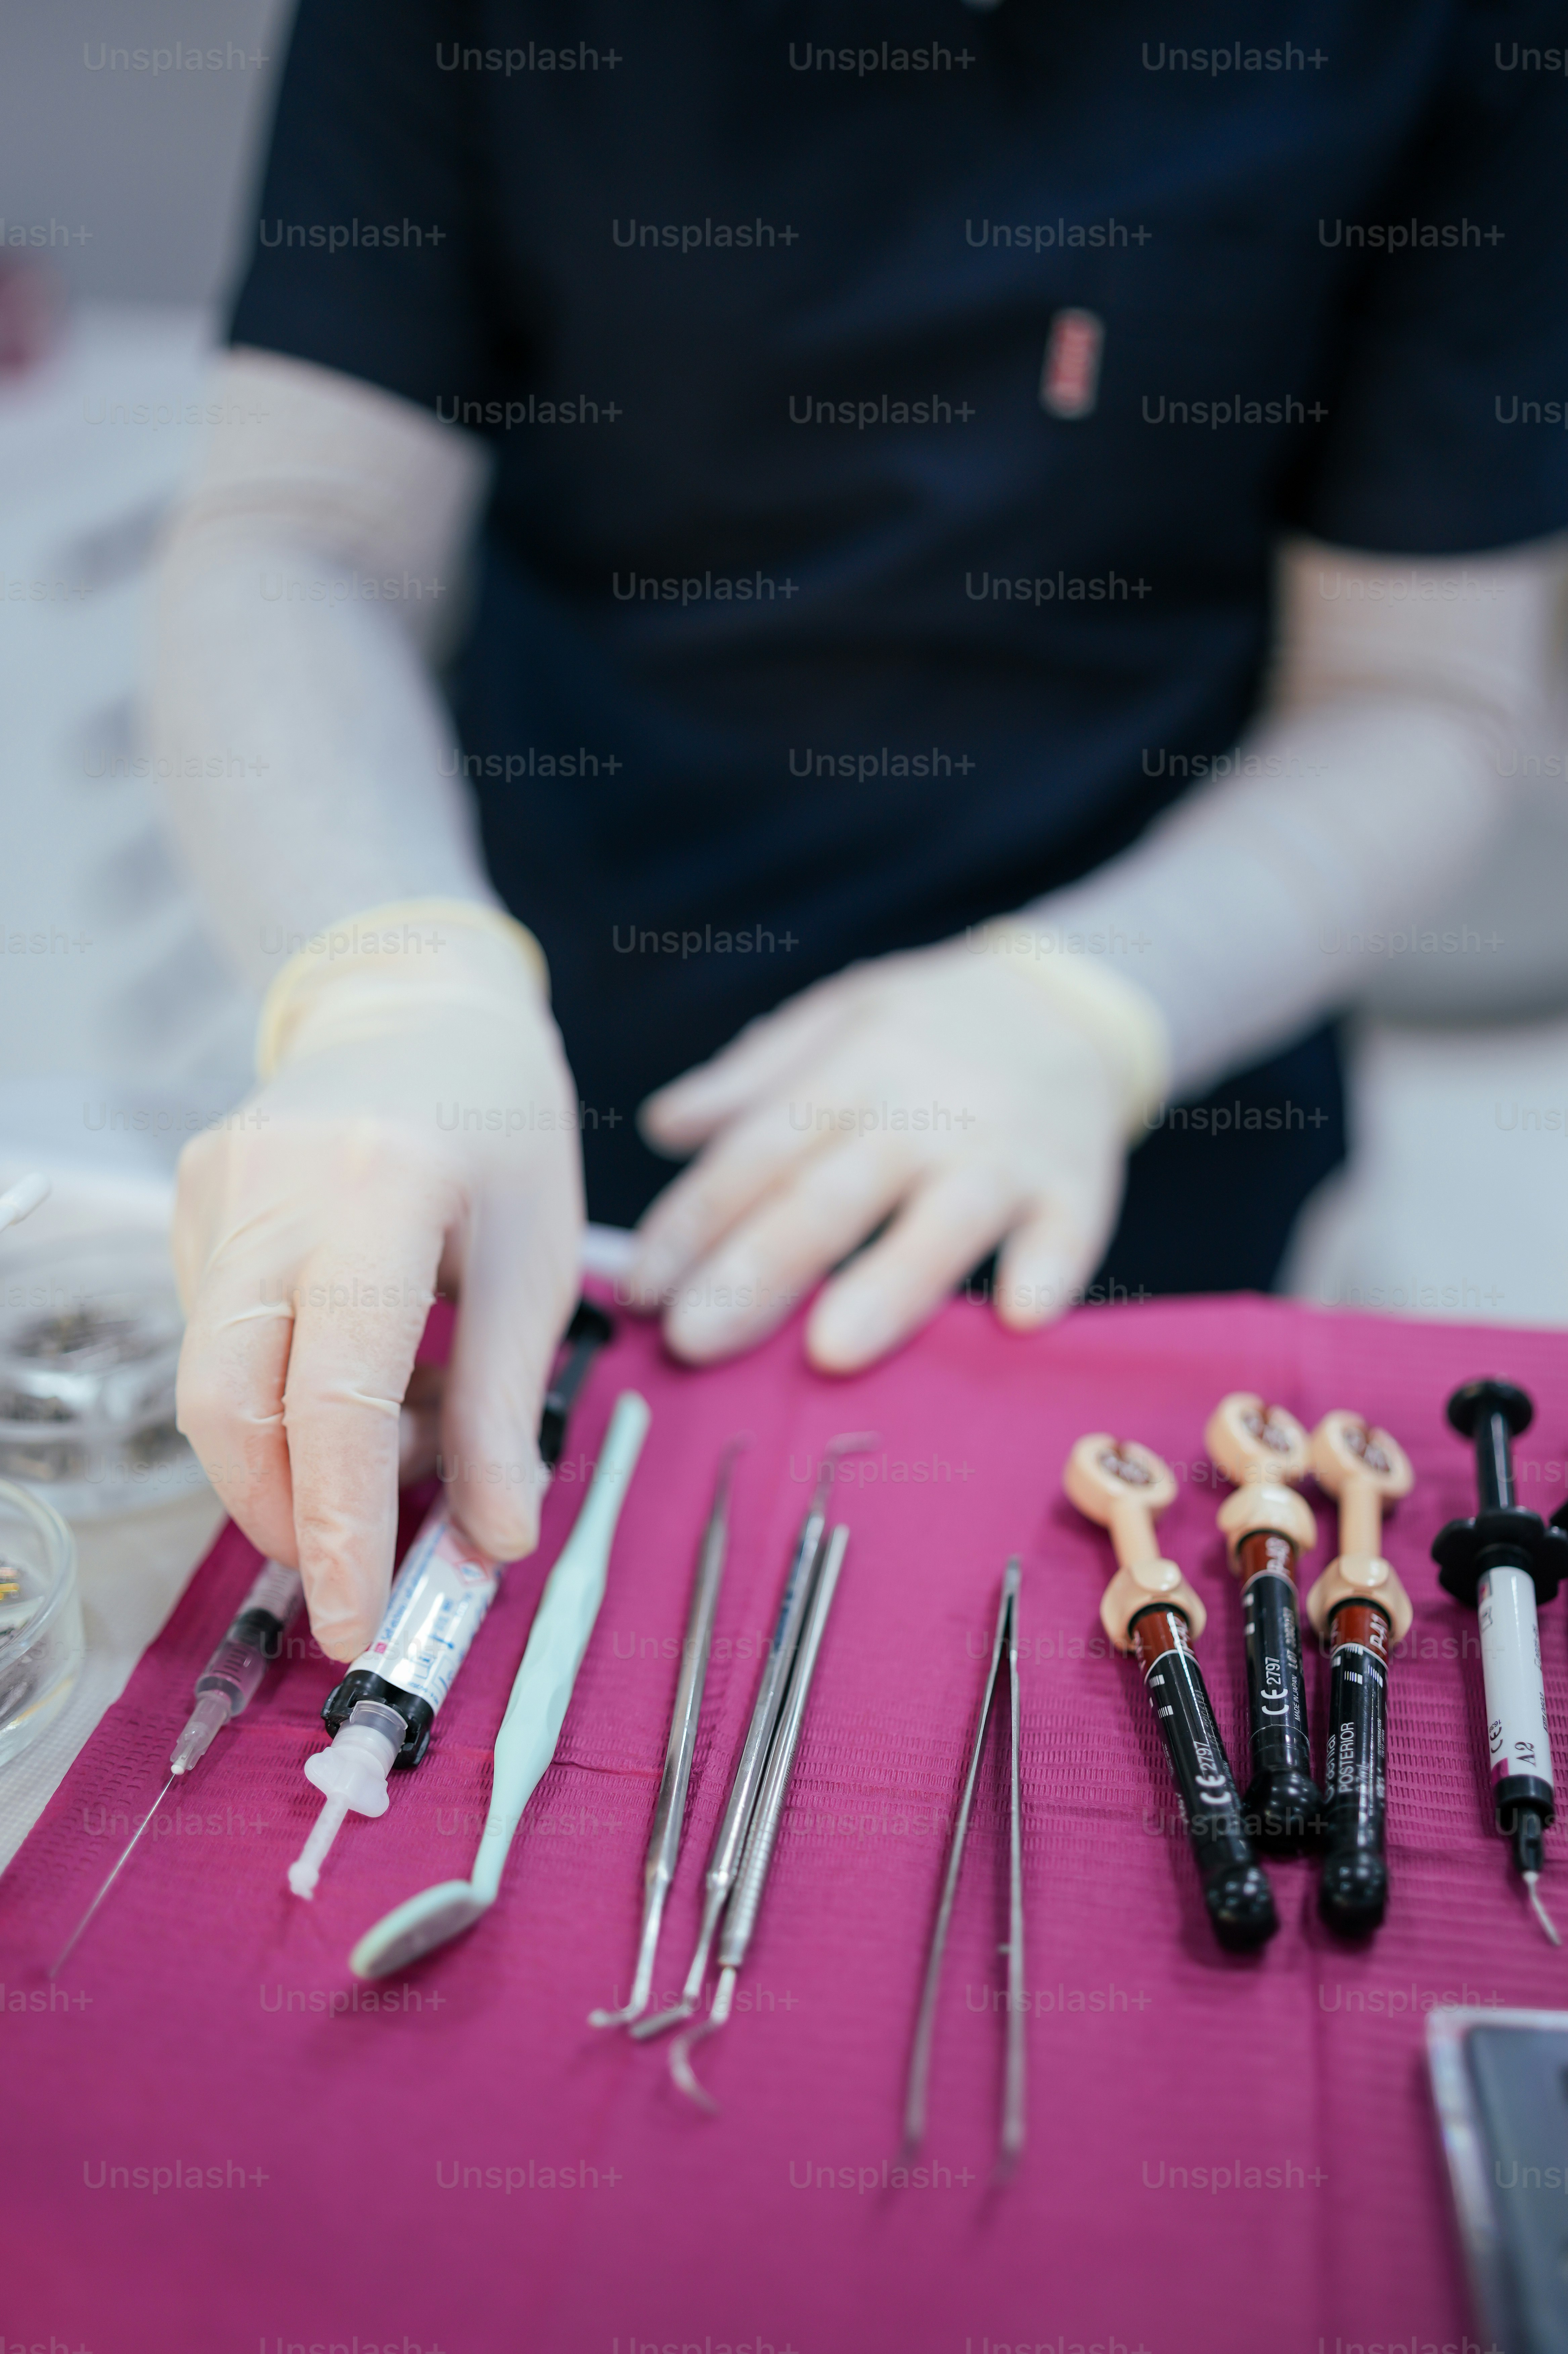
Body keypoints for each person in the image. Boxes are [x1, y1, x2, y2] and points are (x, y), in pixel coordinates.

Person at [150, 0, 1568, 1662]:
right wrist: (390, 980)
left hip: (1123, 1144)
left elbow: (1421, 693)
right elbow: (295, 533)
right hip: (543, 1085)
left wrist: (1087, 1006)